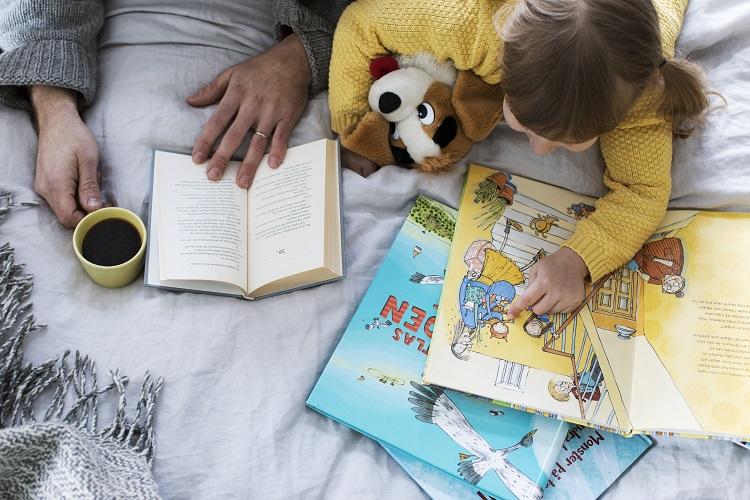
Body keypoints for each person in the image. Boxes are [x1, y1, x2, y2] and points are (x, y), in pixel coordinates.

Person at [328, 0, 710, 316]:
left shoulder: (642, 96)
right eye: (525, 126)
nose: (540, 149)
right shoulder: (473, 26)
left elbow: (642, 193)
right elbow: (361, 23)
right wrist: (352, 127)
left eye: (571, 142)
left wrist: (577, 260)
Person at [0, 0, 351, 228]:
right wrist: (54, 110)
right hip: (97, 39)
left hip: (300, 42)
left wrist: (301, 55)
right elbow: (41, 14)